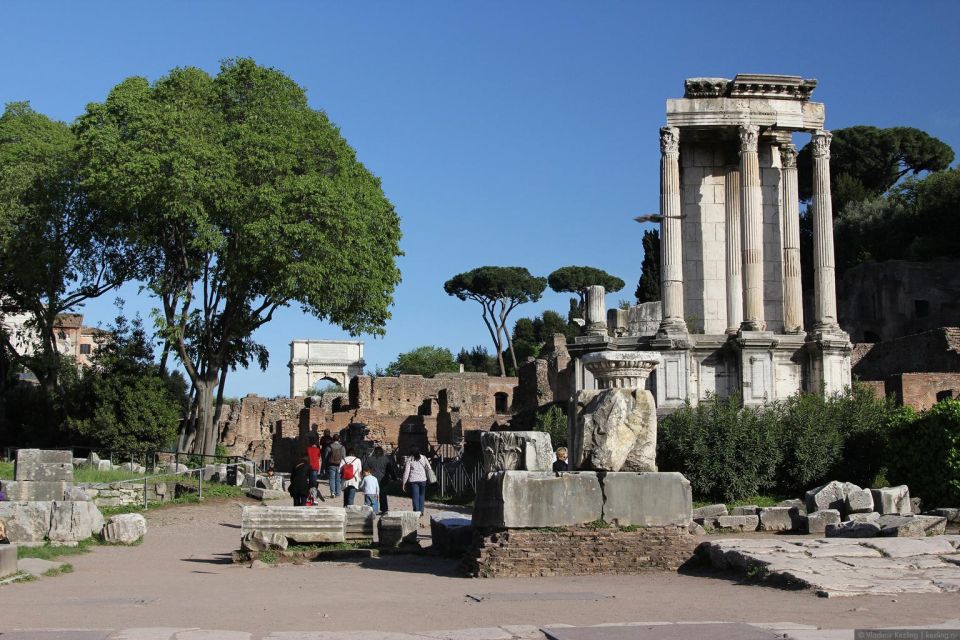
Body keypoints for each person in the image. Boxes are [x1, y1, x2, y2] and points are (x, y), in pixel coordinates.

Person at [364, 446, 396, 513]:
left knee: (373, 494)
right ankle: (384, 509)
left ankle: (373, 510)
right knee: (383, 494)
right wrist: (394, 478)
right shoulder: (385, 459)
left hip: (372, 479)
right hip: (383, 479)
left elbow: (365, 468)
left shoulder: (370, 459)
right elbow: (390, 469)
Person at [402, 447, 429, 514]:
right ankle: (421, 511)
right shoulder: (423, 457)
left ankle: (416, 512)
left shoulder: (410, 459)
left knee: (415, 496)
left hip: (413, 480)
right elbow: (429, 467)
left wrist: (404, 482)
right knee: (422, 496)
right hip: (423, 479)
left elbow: (406, 472)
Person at [324, 434, 345, 498]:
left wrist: (325, 466)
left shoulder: (329, 447)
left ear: (332, 439)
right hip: (339, 465)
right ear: (339, 439)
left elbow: (326, 457)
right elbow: (344, 457)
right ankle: (338, 493)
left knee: (332, 479)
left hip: (331, 465)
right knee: (338, 479)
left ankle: (332, 493)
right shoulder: (342, 447)